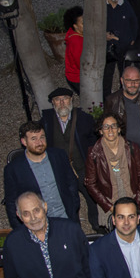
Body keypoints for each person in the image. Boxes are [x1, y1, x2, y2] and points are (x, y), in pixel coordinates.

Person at [4, 121, 80, 229]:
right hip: (38, 224)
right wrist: (20, 230)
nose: (40, 142)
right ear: (24, 142)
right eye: (34, 139)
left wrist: (73, 206)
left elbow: (71, 182)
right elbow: (11, 203)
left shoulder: (59, 155)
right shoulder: (13, 169)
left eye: (42, 137)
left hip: (66, 218)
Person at [42, 87, 98, 230]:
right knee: (69, 204)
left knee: (93, 199)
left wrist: (93, 163)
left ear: (71, 100)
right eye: (57, 100)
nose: (62, 103)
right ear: (52, 102)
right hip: (60, 172)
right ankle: (74, 232)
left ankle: (98, 227)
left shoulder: (84, 119)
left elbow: (94, 142)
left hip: (82, 169)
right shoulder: (45, 123)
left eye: (65, 99)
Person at [85, 113, 140, 228]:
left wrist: (137, 202)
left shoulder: (132, 148)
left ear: (119, 129)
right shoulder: (94, 153)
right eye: (106, 127)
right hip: (109, 202)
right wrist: (109, 206)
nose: (110, 129)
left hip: (133, 198)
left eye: (113, 126)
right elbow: (90, 183)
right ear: (100, 131)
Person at [105, 0, 139, 97]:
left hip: (124, 45)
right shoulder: (102, 6)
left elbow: (134, 21)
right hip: (108, 46)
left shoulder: (125, 4)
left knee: (124, 71)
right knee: (107, 74)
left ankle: (123, 95)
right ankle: (106, 99)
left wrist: (132, 38)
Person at [62, 5, 84, 93]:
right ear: (75, 26)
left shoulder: (73, 34)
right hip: (77, 78)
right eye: (82, 23)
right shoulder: (76, 41)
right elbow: (80, 62)